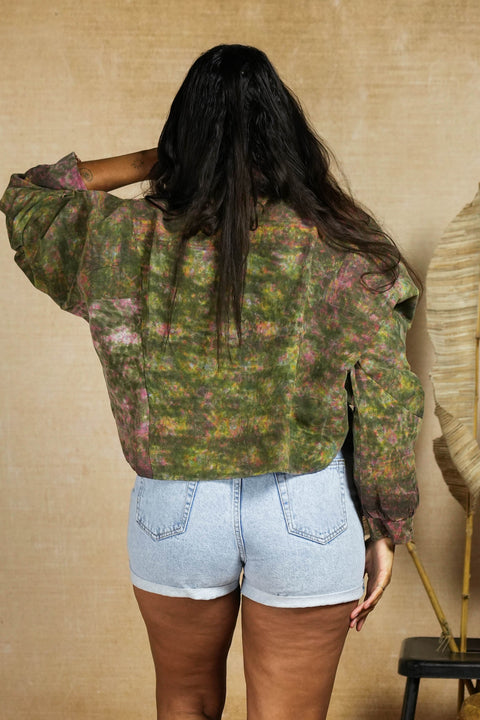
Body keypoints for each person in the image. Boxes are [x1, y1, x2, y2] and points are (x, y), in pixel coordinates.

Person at [1, 44, 423, 720]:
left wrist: (163, 158)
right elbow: (387, 398)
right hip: (306, 505)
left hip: (177, 506)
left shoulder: (125, 237)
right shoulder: (344, 244)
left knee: (185, 704)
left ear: (182, 134)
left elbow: (31, 196)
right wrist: (384, 523)